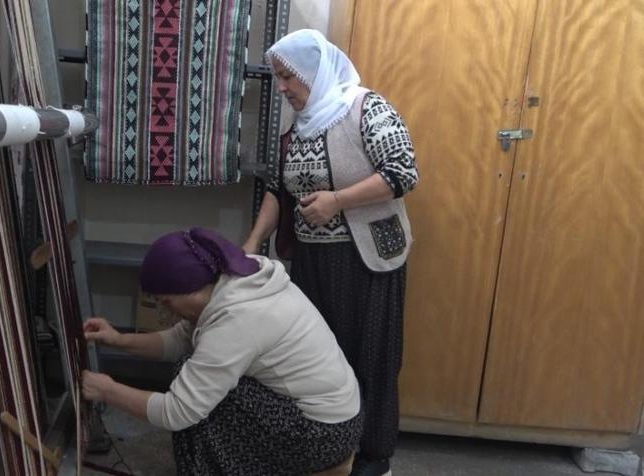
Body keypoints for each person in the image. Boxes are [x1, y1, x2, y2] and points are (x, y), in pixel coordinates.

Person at [242, 29, 419, 476]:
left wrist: (335, 202)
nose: (282, 88)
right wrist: (249, 247)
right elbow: (276, 190)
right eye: (278, 79)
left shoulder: (365, 108)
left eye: (288, 77)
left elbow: (403, 172)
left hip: (367, 262)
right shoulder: (296, 130)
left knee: (372, 357)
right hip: (312, 264)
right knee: (319, 358)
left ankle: (374, 459)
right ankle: (330, 451)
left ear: (314, 71)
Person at [81, 227, 363, 475]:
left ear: (190, 291)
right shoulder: (234, 278)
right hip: (337, 416)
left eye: (167, 301)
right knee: (195, 376)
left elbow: (177, 412)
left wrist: (108, 391)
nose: (166, 311)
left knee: (197, 405)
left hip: (322, 435)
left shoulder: (238, 319)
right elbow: (180, 339)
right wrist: (118, 339)